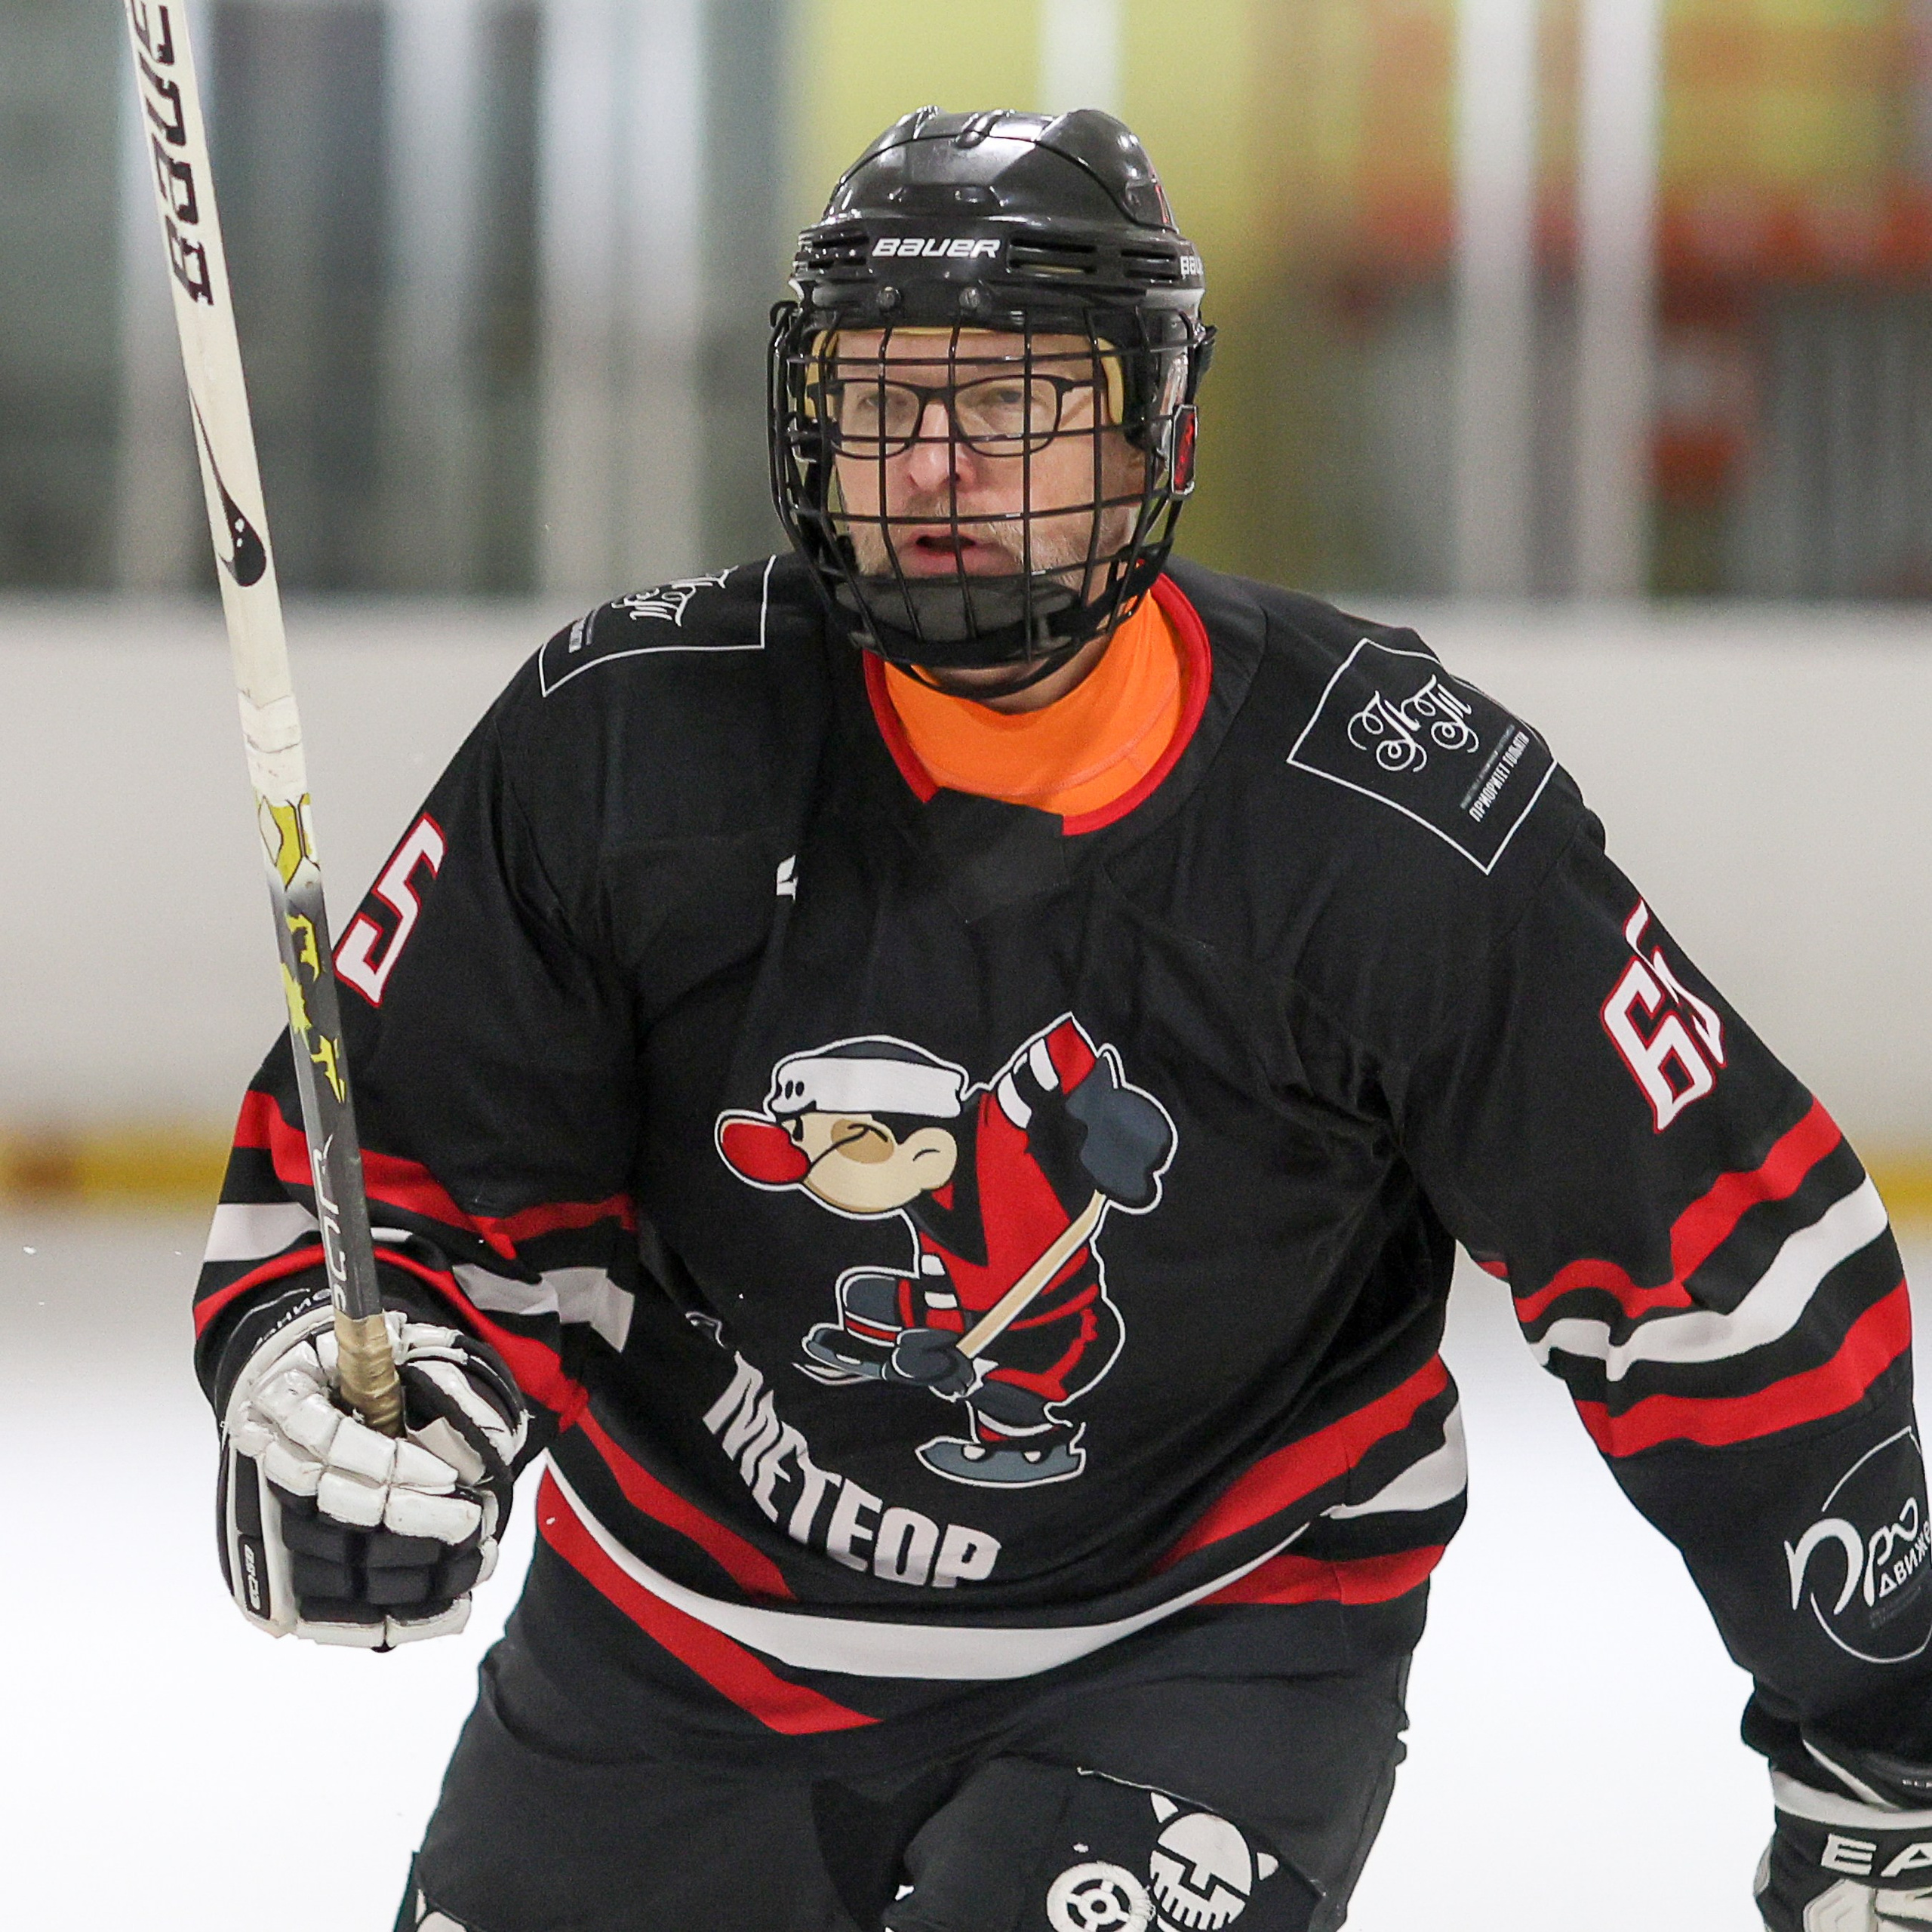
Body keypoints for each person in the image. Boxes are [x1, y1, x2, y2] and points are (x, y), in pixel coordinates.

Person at [196, 107, 1930, 1932]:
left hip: (1204, 1640)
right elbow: (409, 1163)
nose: (934, 466)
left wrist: (1887, 1749)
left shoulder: (1394, 826)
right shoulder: (623, 740)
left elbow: (1723, 1274)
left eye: (1009, 401)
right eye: (880, 403)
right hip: (684, 1641)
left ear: (1149, 428)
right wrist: (348, 1369)